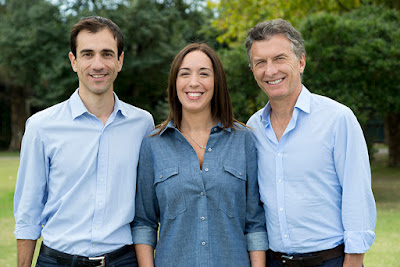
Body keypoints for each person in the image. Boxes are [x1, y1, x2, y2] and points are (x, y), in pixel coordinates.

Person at [13, 16, 154, 266]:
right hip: (56, 260)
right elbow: (28, 212)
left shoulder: (142, 125)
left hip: (122, 260)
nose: (97, 64)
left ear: (120, 61)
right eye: (87, 54)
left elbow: (146, 209)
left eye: (107, 54)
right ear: (73, 61)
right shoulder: (41, 126)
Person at [245, 19, 376, 267]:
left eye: (279, 58)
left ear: (301, 61)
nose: (270, 70)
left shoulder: (337, 118)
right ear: (252, 70)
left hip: (331, 260)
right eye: (260, 62)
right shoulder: (252, 128)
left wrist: (354, 260)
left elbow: (357, 194)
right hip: (274, 261)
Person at [132, 43, 268, 266]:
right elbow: (143, 223)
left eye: (204, 74)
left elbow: (254, 223)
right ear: (174, 83)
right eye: (185, 74)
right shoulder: (152, 146)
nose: (194, 82)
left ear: (217, 83)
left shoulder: (244, 140)